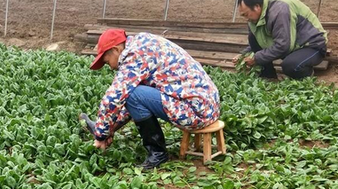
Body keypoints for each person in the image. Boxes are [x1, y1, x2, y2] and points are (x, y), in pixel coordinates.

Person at [80, 29, 220, 170]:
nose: (110, 67)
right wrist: (108, 129)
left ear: (115, 49)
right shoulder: (142, 43)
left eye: (107, 61)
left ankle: (158, 152)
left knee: (132, 94)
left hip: (196, 111)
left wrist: (99, 135)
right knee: (133, 93)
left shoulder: (134, 56)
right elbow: (134, 100)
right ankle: (105, 129)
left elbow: (113, 99)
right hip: (207, 106)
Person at [234, 0, 327, 79]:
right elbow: (259, 40)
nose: (246, 19)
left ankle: (306, 76)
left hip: (311, 44)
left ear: (257, 7)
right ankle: (268, 76)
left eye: (246, 14)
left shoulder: (280, 10)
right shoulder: (254, 18)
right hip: (292, 45)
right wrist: (243, 55)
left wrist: (256, 58)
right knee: (252, 38)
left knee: (291, 66)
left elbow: (283, 46)